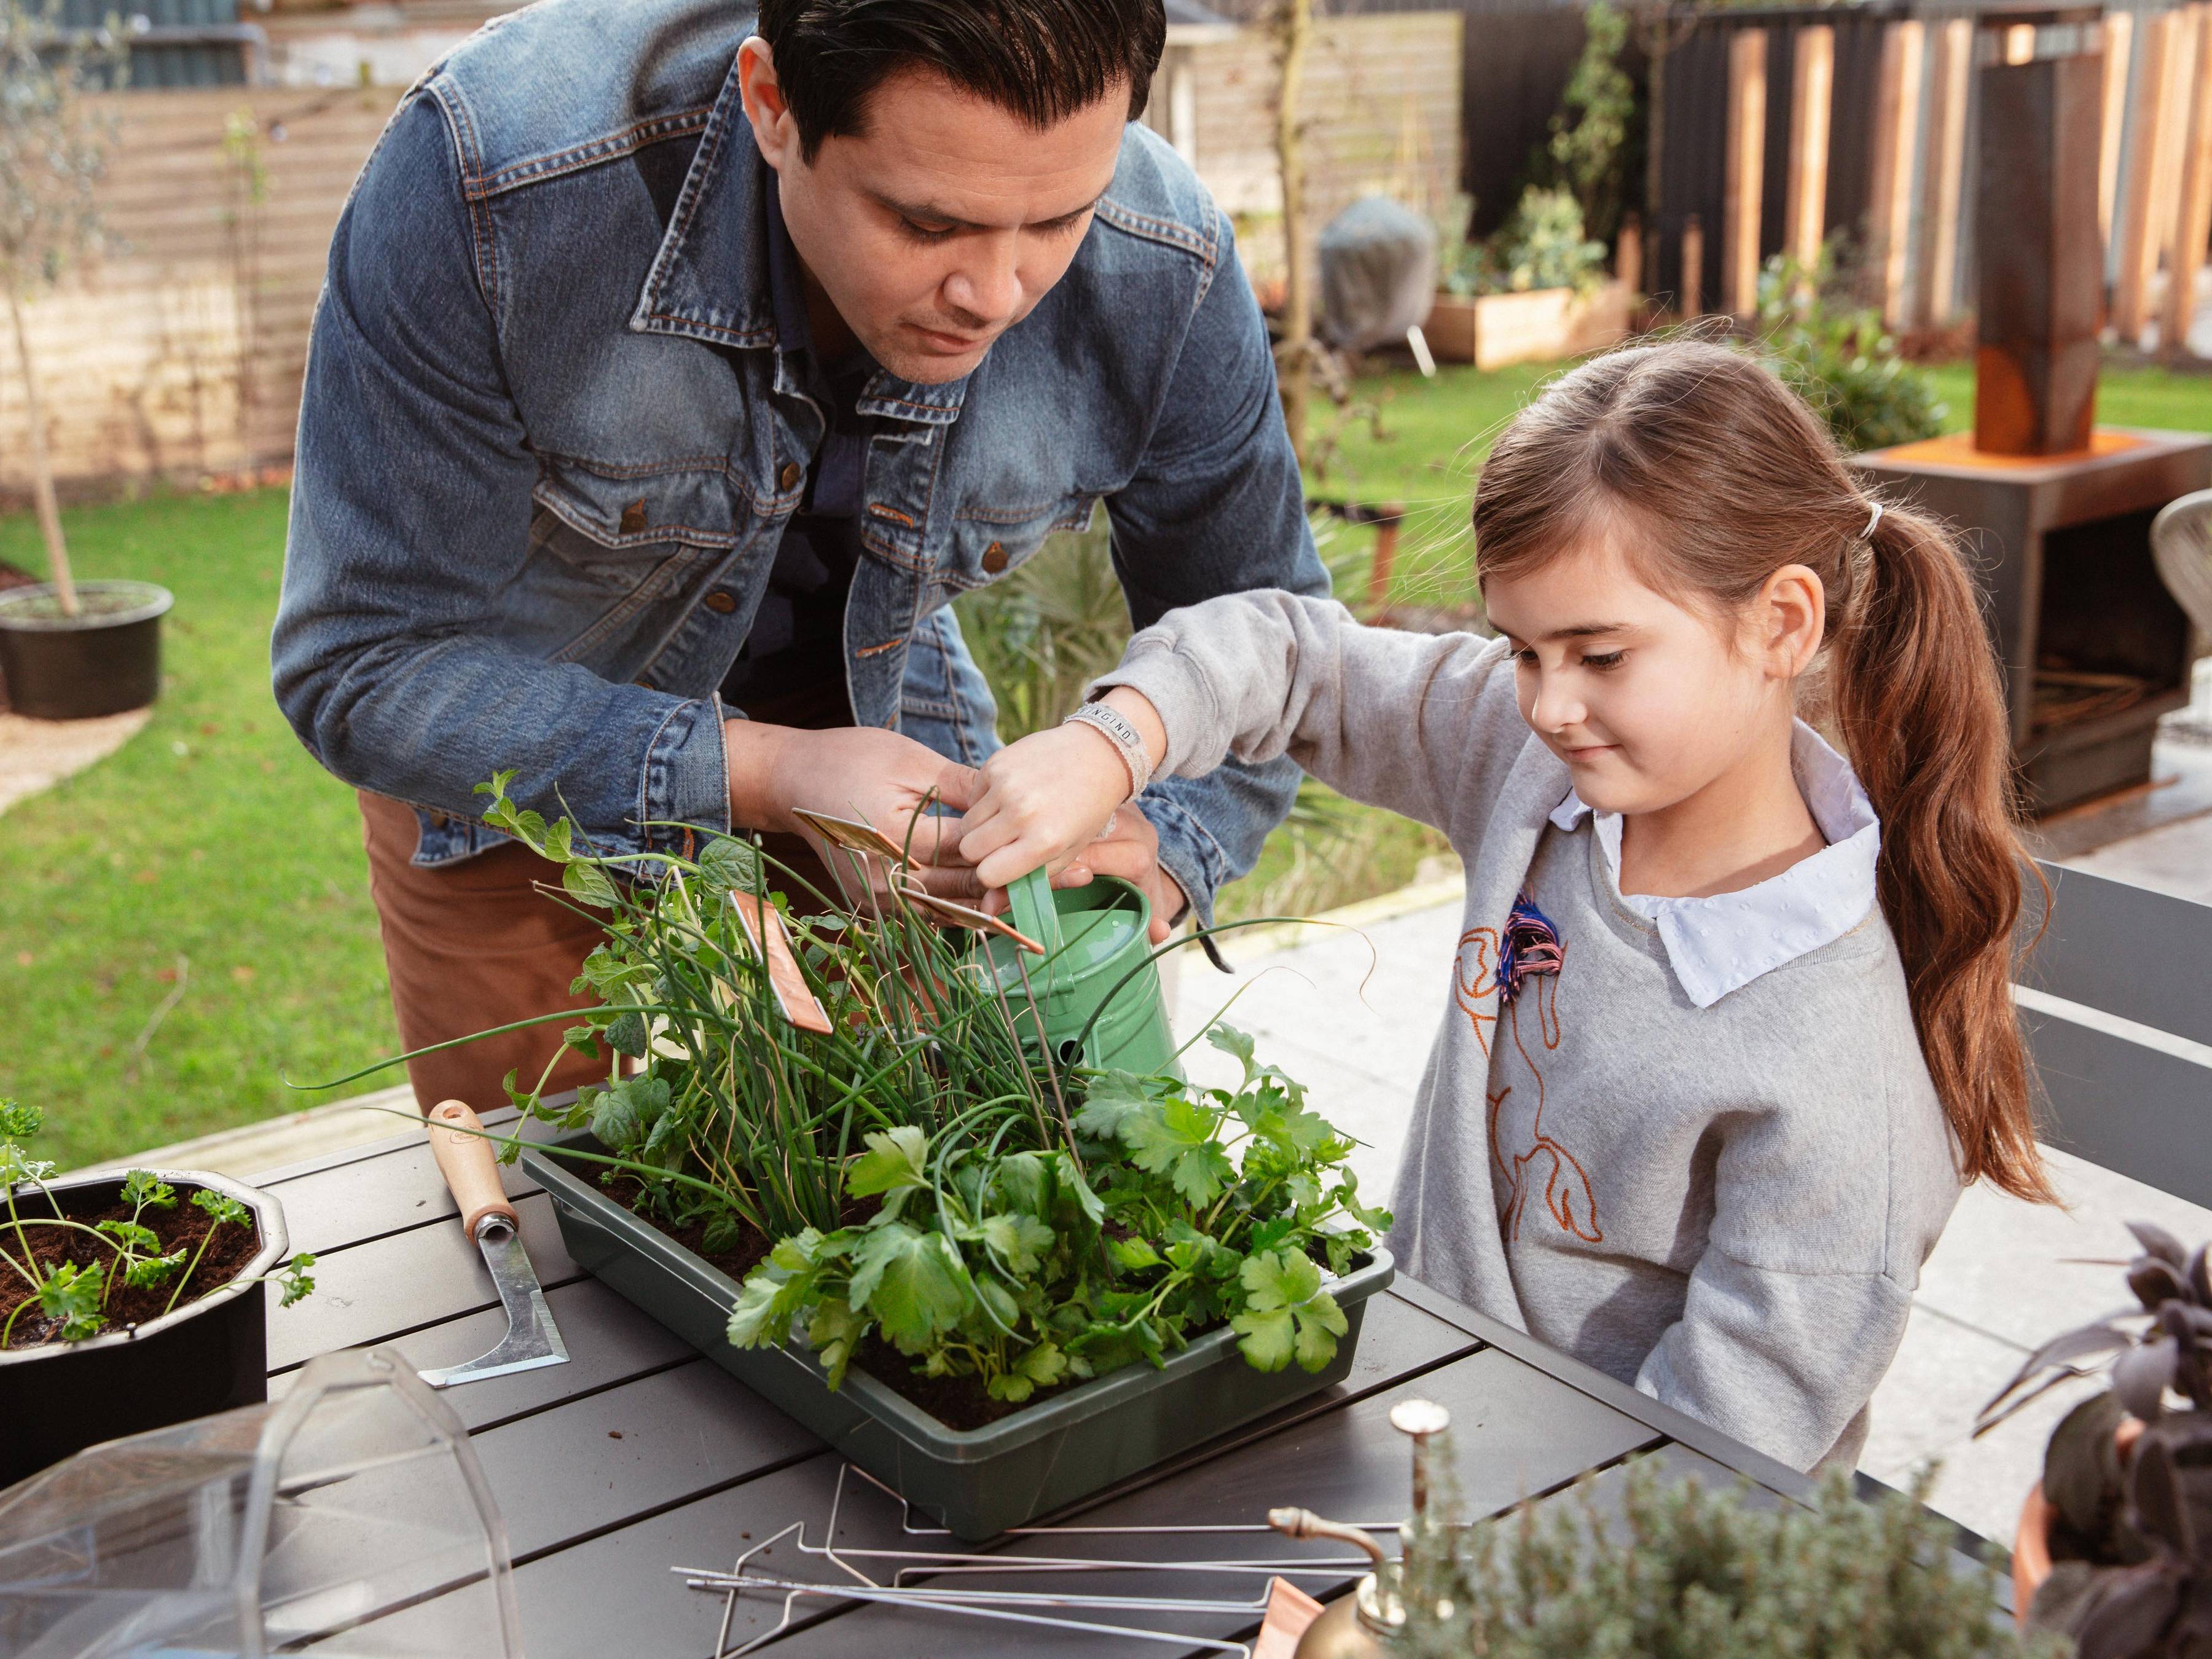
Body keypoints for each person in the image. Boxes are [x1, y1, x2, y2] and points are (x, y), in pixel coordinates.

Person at [953, 341, 2055, 1471]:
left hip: (1577, 1540)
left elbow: (1710, 1464)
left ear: (1781, 625)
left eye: (1602, 655)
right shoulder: (1535, 770)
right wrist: (1114, 742)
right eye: (1523, 650)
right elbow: (1296, 658)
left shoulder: (1843, 1077)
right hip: (1409, 1408)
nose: (1550, 704)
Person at [271, 0, 1325, 1112]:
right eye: (926, 225)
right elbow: (364, 664)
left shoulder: (1165, 258)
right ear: (772, 103)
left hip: (879, 721)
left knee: (935, 1143)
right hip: (527, 744)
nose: (994, 295)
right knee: (539, 1171)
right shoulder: (499, 176)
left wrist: (1164, 855)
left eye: (1061, 218)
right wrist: (770, 775)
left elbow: (1277, 645)